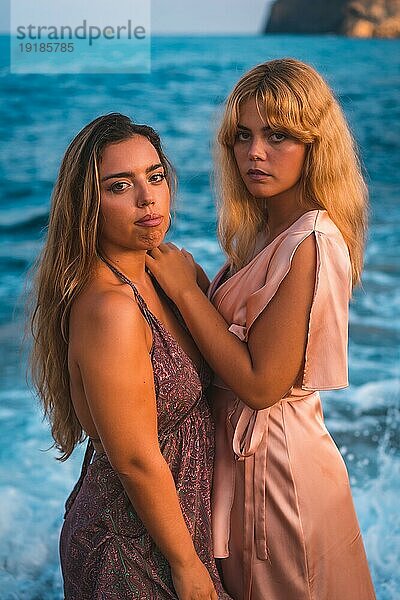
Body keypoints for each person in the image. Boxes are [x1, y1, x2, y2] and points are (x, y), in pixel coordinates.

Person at [145, 59, 376, 600]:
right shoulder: (263, 231)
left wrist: (185, 293)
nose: (255, 153)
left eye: (278, 136)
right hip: (246, 466)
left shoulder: (311, 238)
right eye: (243, 136)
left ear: (314, 144)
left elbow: (260, 384)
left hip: (278, 476)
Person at [30, 113, 232, 599]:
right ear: (88, 206)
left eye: (155, 176)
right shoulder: (111, 308)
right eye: (120, 186)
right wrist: (187, 567)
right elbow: (137, 458)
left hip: (178, 530)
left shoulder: (165, 272)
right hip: (130, 546)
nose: (148, 198)